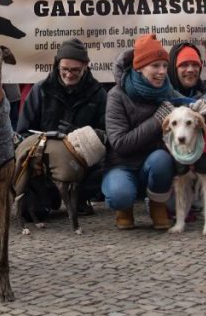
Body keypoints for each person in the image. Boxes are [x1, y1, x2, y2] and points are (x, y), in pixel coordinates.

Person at [16, 38, 107, 215]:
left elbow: (107, 134)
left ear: (86, 66)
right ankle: (48, 197)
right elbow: (22, 133)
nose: (69, 74)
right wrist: (50, 139)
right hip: (44, 164)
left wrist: (79, 135)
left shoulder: (97, 93)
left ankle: (79, 197)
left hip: (81, 162)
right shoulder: (40, 90)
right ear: (57, 64)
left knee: (108, 163)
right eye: (64, 69)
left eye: (75, 70)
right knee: (29, 213)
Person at [103, 34, 178, 230]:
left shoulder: (167, 90)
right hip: (121, 164)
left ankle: (157, 204)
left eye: (164, 65)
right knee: (120, 194)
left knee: (162, 159)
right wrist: (156, 121)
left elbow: (189, 107)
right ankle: (124, 208)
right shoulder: (116, 95)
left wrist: (204, 108)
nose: (162, 72)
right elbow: (119, 143)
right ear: (139, 67)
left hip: (152, 162)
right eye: (155, 66)